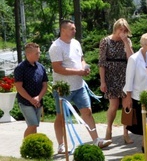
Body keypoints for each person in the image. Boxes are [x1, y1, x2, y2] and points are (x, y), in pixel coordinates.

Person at [49, 20, 110, 153]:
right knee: (61, 116)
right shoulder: (56, 47)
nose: (74, 31)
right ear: (63, 30)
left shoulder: (76, 43)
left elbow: (81, 59)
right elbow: (57, 68)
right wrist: (79, 72)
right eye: (71, 29)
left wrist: (84, 68)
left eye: (75, 28)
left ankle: (96, 140)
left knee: (87, 111)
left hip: (79, 86)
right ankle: (61, 145)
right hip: (63, 88)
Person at [99, 18, 134, 144]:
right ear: (116, 29)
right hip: (111, 76)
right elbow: (102, 63)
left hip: (125, 74)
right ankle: (109, 129)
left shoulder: (127, 41)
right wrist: (102, 81)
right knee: (113, 106)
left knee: (127, 106)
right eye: (121, 29)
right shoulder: (106, 41)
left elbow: (131, 58)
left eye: (125, 30)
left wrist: (125, 41)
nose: (122, 32)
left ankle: (126, 133)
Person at [123, 33, 147, 138]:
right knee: (143, 123)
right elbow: (129, 79)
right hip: (139, 95)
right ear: (143, 45)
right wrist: (128, 97)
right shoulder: (134, 59)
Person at [14, 43, 48, 137]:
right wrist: (31, 99)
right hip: (25, 102)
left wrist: (38, 98)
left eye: (39, 53)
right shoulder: (20, 68)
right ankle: (26, 146)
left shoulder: (41, 67)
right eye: (37, 53)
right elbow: (19, 87)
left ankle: (33, 147)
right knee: (32, 125)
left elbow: (45, 85)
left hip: (38, 102)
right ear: (28, 54)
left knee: (35, 126)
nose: (39, 55)